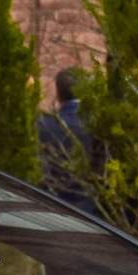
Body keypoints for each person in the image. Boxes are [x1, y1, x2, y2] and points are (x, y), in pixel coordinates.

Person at [35, 68, 106, 218]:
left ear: (58, 94)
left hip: (47, 208)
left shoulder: (43, 125)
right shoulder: (101, 128)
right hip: (93, 213)